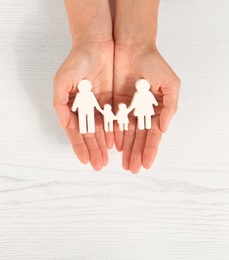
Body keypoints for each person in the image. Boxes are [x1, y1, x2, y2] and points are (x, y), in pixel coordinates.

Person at [53, 0, 181, 173]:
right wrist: (90, 37)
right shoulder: (87, 95)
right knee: (87, 121)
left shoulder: (137, 95)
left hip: (137, 110)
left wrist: (139, 39)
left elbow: (133, 102)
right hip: (89, 111)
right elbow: (97, 104)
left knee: (97, 121)